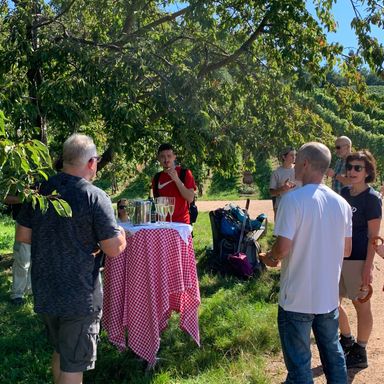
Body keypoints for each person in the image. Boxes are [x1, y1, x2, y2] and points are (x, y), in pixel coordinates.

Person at [15, 134, 126, 384]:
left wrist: (56, 237)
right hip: (79, 294)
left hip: (46, 289)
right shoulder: (95, 196)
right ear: (90, 162)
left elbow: (23, 234)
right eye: (96, 160)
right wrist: (121, 235)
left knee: (61, 352)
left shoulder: (42, 191)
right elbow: (113, 249)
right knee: (74, 363)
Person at [260, 142, 352, 383]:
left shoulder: (293, 200)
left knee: (300, 365)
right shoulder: (341, 203)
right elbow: (347, 248)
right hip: (328, 296)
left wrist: (269, 258)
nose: (294, 165)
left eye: (298, 159)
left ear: (306, 163)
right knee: (333, 355)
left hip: (297, 297)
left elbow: (282, 248)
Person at [338, 150, 381, 369]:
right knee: (331, 303)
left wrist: (368, 268)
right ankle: (346, 339)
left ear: (367, 172)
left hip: (358, 260)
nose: (352, 171)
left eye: (358, 168)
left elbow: (374, 237)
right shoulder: (344, 193)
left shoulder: (372, 199)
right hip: (338, 258)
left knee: (360, 305)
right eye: (350, 167)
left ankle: (361, 350)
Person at [152, 143, 196, 224]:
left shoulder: (185, 173)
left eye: (169, 156)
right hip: (162, 224)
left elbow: (190, 198)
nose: (166, 159)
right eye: (162, 156)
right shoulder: (156, 178)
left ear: (174, 157)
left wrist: (177, 180)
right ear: (158, 159)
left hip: (181, 224)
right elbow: (157, 202)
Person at [5, 195, 32, 306]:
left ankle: (30, 290)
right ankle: (17, 294)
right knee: (22, 259)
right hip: (23, 223)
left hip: (41, 223)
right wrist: (29, 197)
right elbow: (5, 198)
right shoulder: (18, 179)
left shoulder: (47, 180)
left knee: (36, 259)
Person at [269, 146, 298, 219]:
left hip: (297, 207)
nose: (294, 157)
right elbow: (272, 192)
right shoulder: (276, 173)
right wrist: (282, 189)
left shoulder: (299, 170)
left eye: (295, 155)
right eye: (291, 155)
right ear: (284, 157)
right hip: (281, 207)